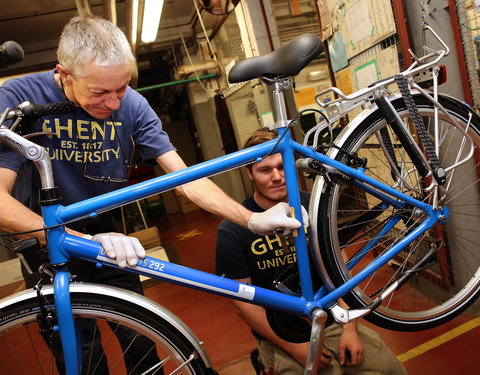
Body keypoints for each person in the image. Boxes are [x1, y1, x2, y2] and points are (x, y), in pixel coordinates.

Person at [0, 16, 303, 374]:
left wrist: (251, 219)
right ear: (64, 75)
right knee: (81, 355)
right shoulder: (19, 99)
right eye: (99, 92)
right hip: (43, 237)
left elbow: (185, 178)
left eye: (122, 87)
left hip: (106, 233)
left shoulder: (132, 104)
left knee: (141, 339)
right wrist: (81, 241)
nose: (114, 104)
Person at [216, 129, 408, 375]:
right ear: (250, 173)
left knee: (388, 369)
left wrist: (350, 326)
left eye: (282, 166)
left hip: (333, 319)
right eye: (265, 170)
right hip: (282, 333)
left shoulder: (314, 206)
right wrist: (294, 347)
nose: (277, 177)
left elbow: (341, 267)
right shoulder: (233, 230)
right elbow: (243, 303)